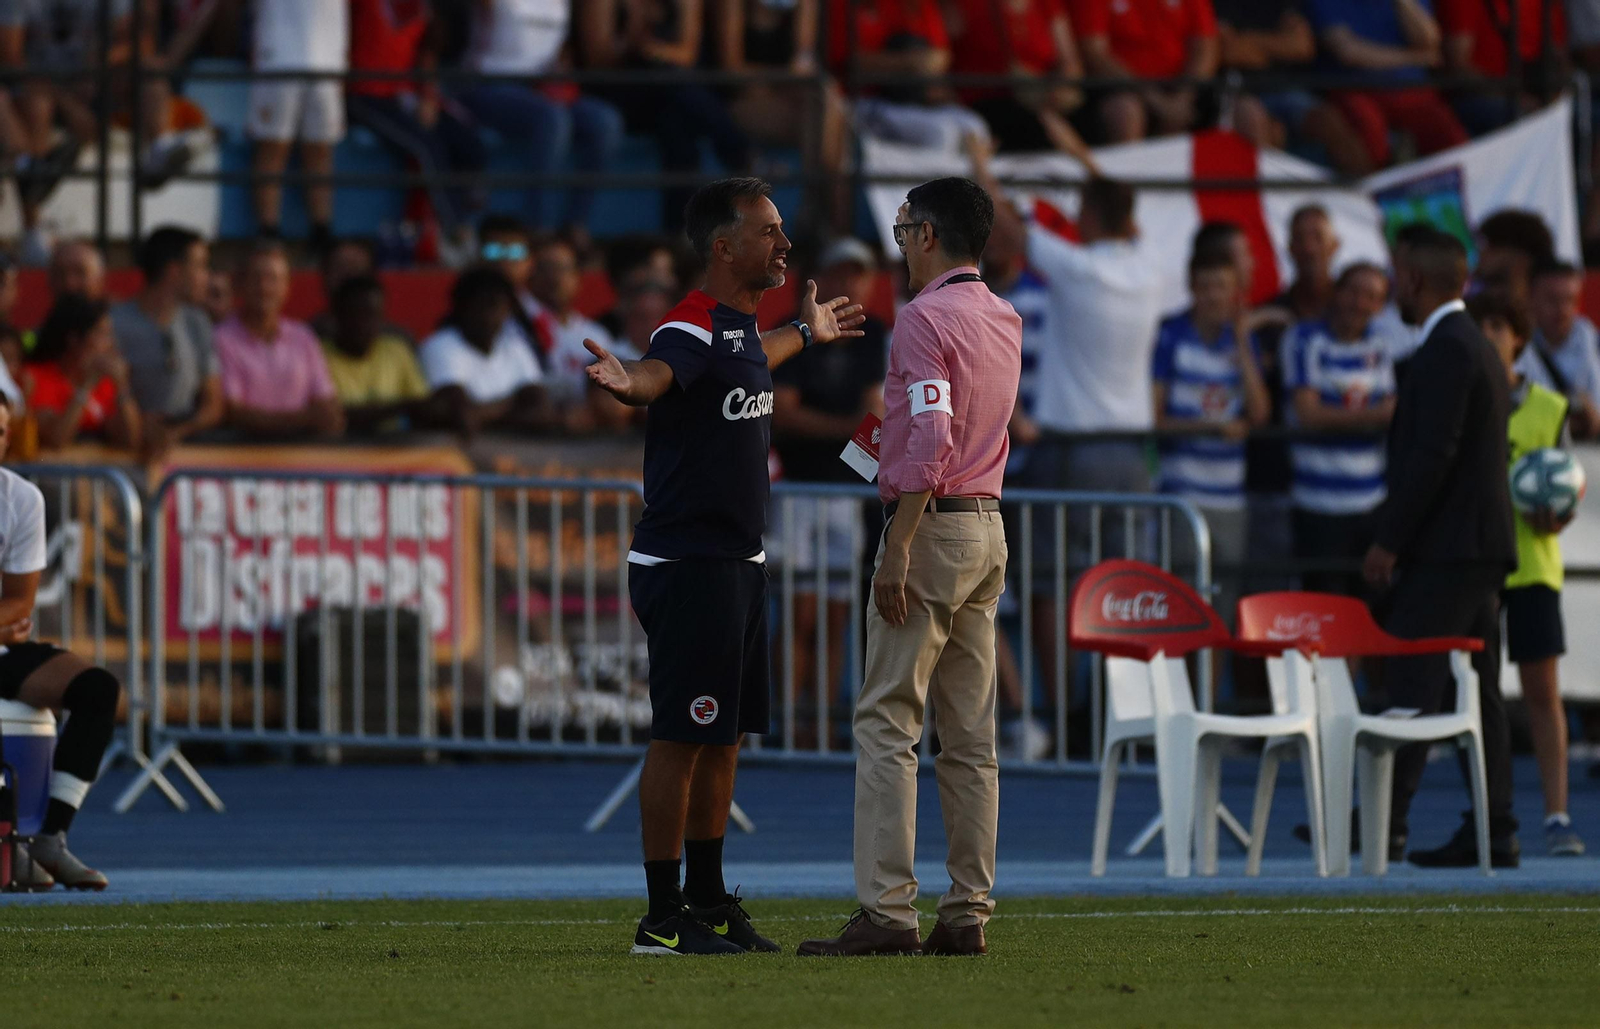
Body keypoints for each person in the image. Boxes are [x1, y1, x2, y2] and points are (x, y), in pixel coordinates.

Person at [582, 177, 864, 956]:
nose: (785, 245)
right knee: (682, 735)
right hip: (689, 560)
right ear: (723, 245)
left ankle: (707, 901)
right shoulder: (691, 324)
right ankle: (660, 917)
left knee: (726, 736)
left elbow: (750, 359)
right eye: (770, 231)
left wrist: (804, 335)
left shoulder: (738, 330)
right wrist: (625, 383)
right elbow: (658, 374)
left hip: (738, 561)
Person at [800, 177, 1019, 959]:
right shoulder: (1002, 315)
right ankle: (967, 911)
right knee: (968, 732)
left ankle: (888, 910)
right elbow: (935, 424)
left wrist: (895, 543)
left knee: (888, 720)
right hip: (986, 525)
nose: (898, 243)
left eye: (901, 230)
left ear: (927, 233)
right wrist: (876, 455)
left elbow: (927, 437)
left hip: (928, 530)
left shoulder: (924, 319)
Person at [974, 149, 1163, 703]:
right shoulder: (1150, 266)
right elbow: (1118, 208)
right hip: (1131, 455)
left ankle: (1062, 714)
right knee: (1121, 585)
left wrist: (982, 167)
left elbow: (1005, 232)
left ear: (1089, 215)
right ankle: (1115, 714)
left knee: (1050, 584)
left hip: (1069, 450)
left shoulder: (1078, 266)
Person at [1362, 227, 1519, 868]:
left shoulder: (1448, 351)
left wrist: (1388, 542)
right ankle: (1496, 828)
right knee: (1477, 693)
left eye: (1399, 276)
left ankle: (1378, 824)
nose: (1395, 289)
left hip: (1452, 550)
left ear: (1416, 281)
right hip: (1474, 546)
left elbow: (1432, 456)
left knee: (1410, 674)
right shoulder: (1470, 345)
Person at [1469, 290, 1586, 857]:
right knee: (1479, 694)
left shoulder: (1548, 406)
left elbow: (1570, 486)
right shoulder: (1463, 400)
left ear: (1518, 336)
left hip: (1533, 564)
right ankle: (1490, 817)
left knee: (1543, 693)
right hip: (1478, 565)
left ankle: (1558, 815)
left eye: (1500, 324)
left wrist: (1558, 513)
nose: (1491, 334)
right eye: (1480, 324)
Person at [767, 238, 888, 748]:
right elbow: (784, 412)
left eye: (856, 274)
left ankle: (817, 723)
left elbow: (877, 417)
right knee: (800, 610)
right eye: (840, 273)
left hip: (842, 493)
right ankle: (785, 721)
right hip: (797, 490)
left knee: (836, 614)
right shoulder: (798, 329)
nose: (849, 283)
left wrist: (853, 462)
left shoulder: (875, 335)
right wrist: (850, 436)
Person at [0, 393, 121, 889]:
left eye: (1, 431)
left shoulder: (20, 498)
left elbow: (19, 606)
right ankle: (11, 850)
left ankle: (49, 836)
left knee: (99, 690)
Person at [1151, 250, 1270, 621]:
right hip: (1181, 495)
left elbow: (1261, 414)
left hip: (1231, 500)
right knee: (1180, 607)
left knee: (1219, 615)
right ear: (1192, 288)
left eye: (1222, 287)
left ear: (1235, 292)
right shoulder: (1171, 334)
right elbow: (1154, 419)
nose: (1214, 295)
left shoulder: (1241, 340)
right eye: (1206, 286)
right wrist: (1211, 429)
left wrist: (1242, 343)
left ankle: (1211, 684)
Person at [582, 0, 752, 231]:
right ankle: (738, 152)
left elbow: (687, 55)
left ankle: (679, 232)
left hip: (669, 92)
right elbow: (600, 61)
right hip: (620, 90)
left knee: (676, 120)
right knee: (673, 85)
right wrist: (634, 31)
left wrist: (650, 51)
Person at [459, 0, 623, 235]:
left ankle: (574, 226)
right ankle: (539, 229)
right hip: (488, 86)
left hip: (541, 88)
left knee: (605, 122)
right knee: (553, 119)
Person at [1282, 262, 1397, 597]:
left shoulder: (1380, 346)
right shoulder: (1304, 338)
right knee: (1323, 613)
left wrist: (1340, 414)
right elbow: (1307, 414)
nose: (1360, 303)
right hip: (1316, 504)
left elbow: (1391, 412)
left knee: (1369, 613)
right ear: (1337, 291)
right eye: (1354, 291)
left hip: (1372, 503)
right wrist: (1373, 414)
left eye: (1372, 296)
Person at [346, 0, 488, 255]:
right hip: (364, 94)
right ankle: (454, 232)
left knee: (469, 143)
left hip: (405, 94)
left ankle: (475, 232)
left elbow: (427, 50)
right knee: (426, 147)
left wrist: (428, 94)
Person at [1213, 0, 1371, 175]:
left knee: (1330, 121)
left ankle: (1365, 192)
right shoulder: (1221, 4)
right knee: (1256, 121)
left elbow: (1303, 47)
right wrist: (1281, 43)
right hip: (1241, 92)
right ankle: (1275, 199)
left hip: (1285, 90)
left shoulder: (1281, 4)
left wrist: (1251, 43)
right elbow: (1229, 52)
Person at [1307, 0, 1467, 169]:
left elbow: (1430, 39)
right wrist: (1416, 58)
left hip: (1412, 91)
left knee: (1452, 140)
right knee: (1369, 133)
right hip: (1356, 89)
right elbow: (1349, 52)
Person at [111, 226, 225, 461]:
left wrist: (176, 432)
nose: (207, 277)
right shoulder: (115, 324)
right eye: (201, 266)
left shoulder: (198, 323)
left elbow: (213, 402)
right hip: (121, 453)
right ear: (174, 271)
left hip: (182, 457)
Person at [824, 0, 993, 154]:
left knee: (975, 126)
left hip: (913, 99)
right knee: (940, 133)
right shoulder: (841, 5)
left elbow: (940, 55)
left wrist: (924, 63)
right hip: (866, 100)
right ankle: (931, 188)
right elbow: (847, 61)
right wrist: (906, 63)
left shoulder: (910, 5)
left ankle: (976, 185)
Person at [215, 241, 345, 441]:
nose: (265, 287)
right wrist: (306, 419)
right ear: (239, 284)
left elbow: (326, 404)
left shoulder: (304, 337)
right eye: (256, 278)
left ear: (287, 287)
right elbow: (232, 413)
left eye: (274, 279)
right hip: (240, 459)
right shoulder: (221, 338)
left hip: (301, 461)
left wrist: (320, 416)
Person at [945, 0, 1097, 165]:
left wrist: (1060, 88)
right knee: (1036, 127)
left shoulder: (1047, 5)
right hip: (989, 98)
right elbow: (946, 58)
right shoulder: (964, 5)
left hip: (1045, 95)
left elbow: (1070, 61)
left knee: (1093, 124)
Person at [249, 0, 349, 249]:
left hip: (327, 59)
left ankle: (321, 229)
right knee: (273, 147)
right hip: (279, 55)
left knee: (320, 149)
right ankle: (268, 230)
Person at [417, 266, 553, 436]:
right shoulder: (440, 346)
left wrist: (483, 414)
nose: (489, 315)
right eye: (481, 305)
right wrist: (515, 401)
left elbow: (542, 410)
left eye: (496, 305)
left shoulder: (515, 347)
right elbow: (461, 414)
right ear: (462, 307)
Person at [526, 233, 637, 428]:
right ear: (532, 276)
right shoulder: (520, 328)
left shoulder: (596, 334)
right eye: (547, 269)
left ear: (578, 278)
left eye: (563, 269)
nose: (555, 277)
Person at [1072, 0, 1220, 143]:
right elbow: (1094, 53)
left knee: (1191, 110)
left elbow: (1205, 45)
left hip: (1181, 86)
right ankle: (1131, 167)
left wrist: (1184, 96)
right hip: (1120, 86)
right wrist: (1156, 101)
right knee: (1126, 111)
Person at [26, 294, 141, 453]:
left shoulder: (105, 385)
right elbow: (56, 439)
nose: (111, 343)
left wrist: (122, 386)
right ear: (74, 339)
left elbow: (130, 440)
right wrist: (85, 386)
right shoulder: (36, 378)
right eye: (102, 333)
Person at [321, 275, 434, 436]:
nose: (363, 323)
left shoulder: (397, 351)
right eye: (355, 313)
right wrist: (399, 408)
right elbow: (332, 417)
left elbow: (423, 407)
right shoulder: (318, 355)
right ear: (336, 314)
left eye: (371, 314)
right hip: (339, 451)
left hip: (395, 449)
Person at [1439, 0, 1566, 134]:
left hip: (1530, 93)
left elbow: (1559, 56)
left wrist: (1554, 100)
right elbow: (1457, 68)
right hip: (1480, 98)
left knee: (1574, 111)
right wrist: (1518, 99)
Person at [1523, 260, 1600, 439]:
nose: (1562, 310)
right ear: (1530, 298)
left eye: (1570, 300)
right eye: (1552, 300)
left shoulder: (1588, 338)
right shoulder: (1518, 344)